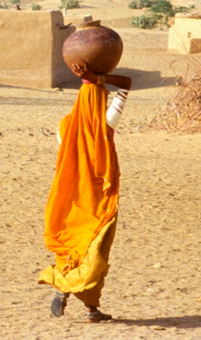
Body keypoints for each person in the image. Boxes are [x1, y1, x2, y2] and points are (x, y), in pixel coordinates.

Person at [38, 60, 131, 322]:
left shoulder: (64, 126)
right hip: (100, 200)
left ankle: (64, 286)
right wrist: (98, 78)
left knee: (71, 246)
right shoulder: (108, 122)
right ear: (101, 100)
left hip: (70, 199)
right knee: (97, 251)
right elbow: (127, 85)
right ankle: (91, 308)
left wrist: (87, 80)